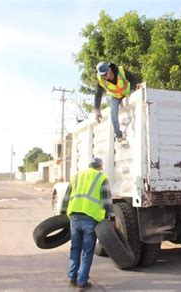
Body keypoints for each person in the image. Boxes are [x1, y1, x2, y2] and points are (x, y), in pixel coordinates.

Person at [60, 157, 115, 291]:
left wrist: (62, 213)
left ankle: (72, 278)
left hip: (74, 216)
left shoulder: (77, 176)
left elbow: (67, 196)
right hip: (90, 218)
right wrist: (112, 216)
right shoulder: (101, 178)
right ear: (100, 167)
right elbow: (107, 200)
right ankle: (82, 282)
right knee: (87, 251)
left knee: (75, 248)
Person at [94, 61, 140, 142]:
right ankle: (118, 135)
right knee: (113, 112)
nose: (104, 76)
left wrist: (132, 90)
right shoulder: (100, 79)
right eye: (102, 75)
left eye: (105, 74)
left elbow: (133, 79)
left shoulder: (120, 70)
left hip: (127, 93)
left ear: (110, 69)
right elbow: (98, 94)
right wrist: (97, 110)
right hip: (116, 96)